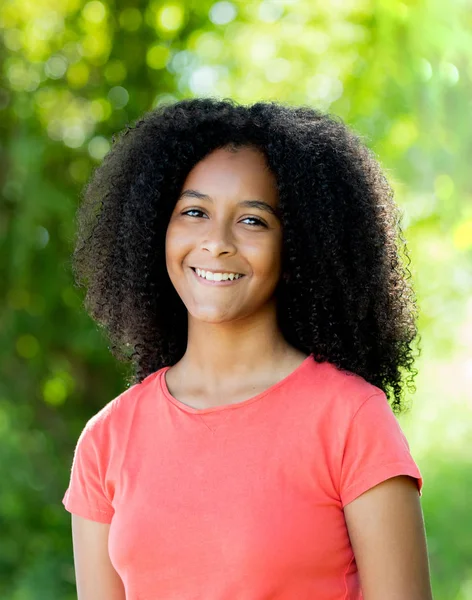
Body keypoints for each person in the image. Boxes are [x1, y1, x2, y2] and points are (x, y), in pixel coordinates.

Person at [62, 97, 433, 599]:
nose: (216, 242)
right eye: (194, 211)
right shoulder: (107, 439)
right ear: (156, 228)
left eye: (253, 220)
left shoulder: (351, 420)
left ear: (298, 244)